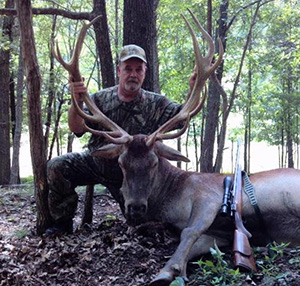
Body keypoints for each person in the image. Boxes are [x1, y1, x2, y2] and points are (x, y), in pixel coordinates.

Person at [46, 44, 196, 235]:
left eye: (138, 69)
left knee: (140, 226)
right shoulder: (99, 99)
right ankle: (62, 223)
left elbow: (183, 115)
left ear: (144, 72)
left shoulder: (157, 103)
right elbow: (76, 128)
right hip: (98, 160)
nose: (133, 74)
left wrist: (192, 89)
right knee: (56, 167)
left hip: (132, 174)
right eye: (128, 69)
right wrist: (77, 100)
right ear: (119, 71)